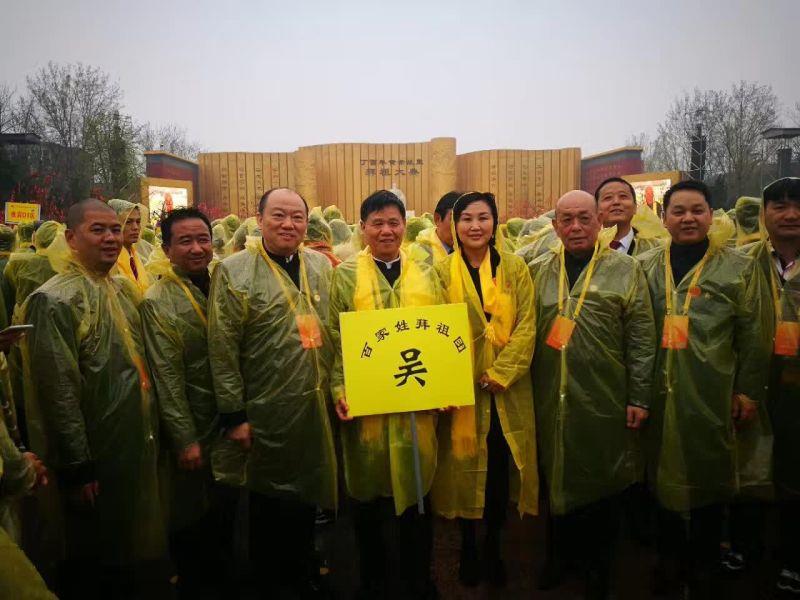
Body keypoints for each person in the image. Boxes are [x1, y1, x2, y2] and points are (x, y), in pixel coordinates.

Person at [19, 198, 165, 599]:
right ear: (70, 238)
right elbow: (59, 391)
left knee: (131, 543)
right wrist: (78, 465)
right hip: (95, 450)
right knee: (94, 554)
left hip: (133, 439)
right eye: (97, 230)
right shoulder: (55, 299)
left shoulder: (121, 287)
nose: (111, 238)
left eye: (115, 229)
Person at [637, 180, 772, 597]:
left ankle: (704, 564)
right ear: (664, 218)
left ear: (711, 216)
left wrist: (747, 391)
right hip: (657, 389)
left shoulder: (737, 267)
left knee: (710, 476)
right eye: (678, 211)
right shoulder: (644, 265)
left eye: (697, 210)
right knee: (660, 475)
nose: (688, 219)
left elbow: (754, 334)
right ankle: (669, 561)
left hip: (712, 389)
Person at [208, 187, 338, 598]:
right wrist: (234, 414)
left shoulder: (320, 265)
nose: (288, 224)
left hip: (313, 402)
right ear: (259, 218)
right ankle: (270, 581)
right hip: (265, 408)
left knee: (307, 497)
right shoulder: (234, 271)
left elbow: (336, 330)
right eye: (278, 215)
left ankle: (303, 570)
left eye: (297, 217)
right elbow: (222, 348)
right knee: (267, 502)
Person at [529, 190, 655, 599]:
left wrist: (639, 396)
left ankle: (598, 567)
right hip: (549, 394)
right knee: (556, 474)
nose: (576, 227)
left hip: (605, 395)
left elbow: (641, 338)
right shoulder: (538, 269)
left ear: (600, 221)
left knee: (602, 481)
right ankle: (559, 558)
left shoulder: (625, 270)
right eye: (566, 220)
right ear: (554, 227)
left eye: (584, 218)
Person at [329, 190, 443, 599]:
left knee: (417, 500)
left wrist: (444, 383)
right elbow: (335, 338)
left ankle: (419, 579)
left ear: (404, 226)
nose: (386, 231)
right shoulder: (345, 275)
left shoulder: (426, 272)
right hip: (368, 410)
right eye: (376, 223)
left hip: (416, 403)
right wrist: (339, 388)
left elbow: (441, 334)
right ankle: (373, 581)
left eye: (393, 222)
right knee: (369, 503)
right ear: (362, 228)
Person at [430, 191, 538, 588]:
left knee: (497, 469)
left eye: (483, 218)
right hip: (462, 390)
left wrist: (501, 372)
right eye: (466, 219)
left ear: (495, 223)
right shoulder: (440, 271)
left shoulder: (515, 268)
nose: (475, 226)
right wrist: (450, 381)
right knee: (462, 466)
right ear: (453, 225)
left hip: (505, 390)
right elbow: (433, 329)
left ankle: (493, 544)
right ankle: (468, 547)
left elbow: (527, 325)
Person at [140, 208, 231, 599]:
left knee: (225, 511)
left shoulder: (222, 282)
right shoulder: (158, 300)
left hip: (227, 419)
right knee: (193, 518)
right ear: (166, 249)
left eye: (203, 239)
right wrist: (184, 438)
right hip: (193, 423)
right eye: (185, 241)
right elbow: (167, 377)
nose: (197, 249)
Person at [742, 177, 800, 594]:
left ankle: (792, 558)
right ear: (764, 214)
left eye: (797, 205)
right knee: (752, 463)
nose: (790, 214)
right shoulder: (746, 261)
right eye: (779, 206)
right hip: (757, 380)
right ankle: (746, 547)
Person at [595, 177, 663, 256]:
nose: (616, 202)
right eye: (608, 198)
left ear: (635, 207)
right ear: (596, 209)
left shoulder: (655, 248)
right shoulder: (590, 248)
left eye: (623, 196)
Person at [108, 198, 151, 293]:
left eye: (138, 222)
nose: (135, 227)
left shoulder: (141, 255)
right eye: (128, 222)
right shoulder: (109, 261)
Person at [408, 191, 458, 266]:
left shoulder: (469, 250)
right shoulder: (420, 251)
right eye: (454, 219)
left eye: (466, 219)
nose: (460, 226)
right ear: (437, 219)